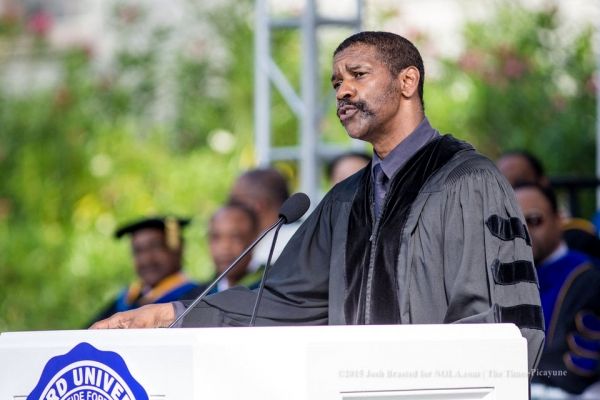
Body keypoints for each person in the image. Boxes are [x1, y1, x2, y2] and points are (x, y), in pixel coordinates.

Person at [92, 31, 544, 372]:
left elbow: (498, 322)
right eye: (335, 83)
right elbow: (279, 303)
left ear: (408, 81)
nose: (343, 92)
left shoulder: (468, 181)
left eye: (358, 76)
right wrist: (173, 314)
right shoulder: (344, 202)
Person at [514, 182, 600, 395]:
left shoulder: (587, 280)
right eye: (513, 223)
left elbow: (574, 373)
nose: (523, 231)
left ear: (559, 219)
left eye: (534, 220)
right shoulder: (502, 279)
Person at [90, 216, 203, 323]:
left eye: (155, 247)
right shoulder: (125, 299)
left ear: (178, 249)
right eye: (138, 251)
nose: (146, 259)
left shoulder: (197, 298)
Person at [228, 168, 299, 270]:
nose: (230, 209)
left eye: (234, 202)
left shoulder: (287, 245)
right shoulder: (302, 235)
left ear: (258, 206)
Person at [207, 202, 262, 292]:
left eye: (235, 237)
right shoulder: (200, 296)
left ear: (255, 239)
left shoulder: (269, 287)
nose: (224, 247)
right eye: (216, 237)